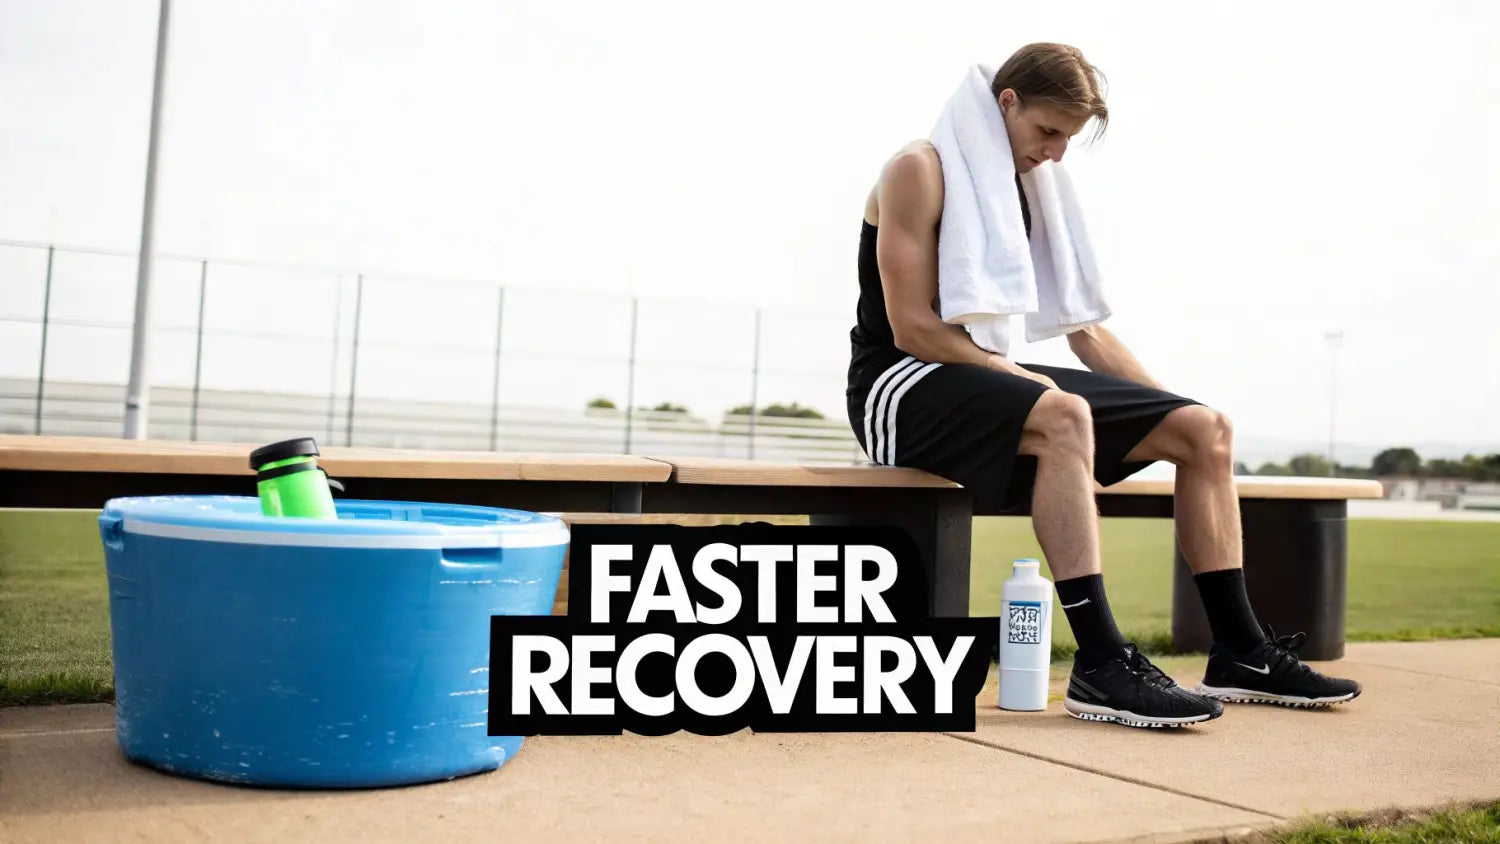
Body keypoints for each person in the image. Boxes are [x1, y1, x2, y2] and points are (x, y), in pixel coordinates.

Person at [845, 42, 1361, 728]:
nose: (1056, 154)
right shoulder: (920, 169)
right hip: (898, 384)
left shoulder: (1025, 187)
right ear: (1007, 103)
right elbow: (911, 328)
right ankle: (1101, 663)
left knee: (1206, 429)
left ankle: (1243, 650)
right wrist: (1019, 377)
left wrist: (1170, 410)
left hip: (976, 372)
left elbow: (1084, 331)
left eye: (1068, 140)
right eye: (1047, 132)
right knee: (1063, 415)